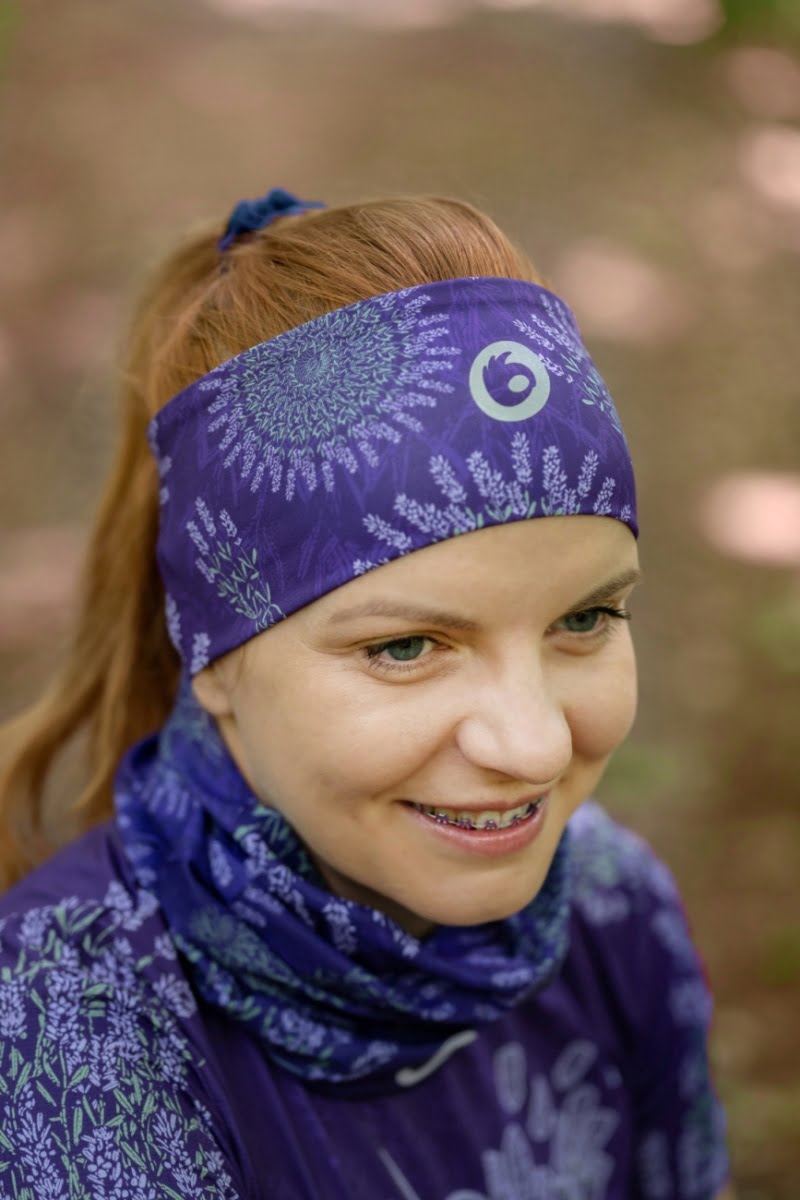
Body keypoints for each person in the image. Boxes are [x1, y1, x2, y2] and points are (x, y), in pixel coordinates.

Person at [0, 187, 733, 1199]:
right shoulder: (69, 1028)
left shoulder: (611, 905)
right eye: (407, 646)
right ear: (211, 652)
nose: (532, 746)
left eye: (584, 619)